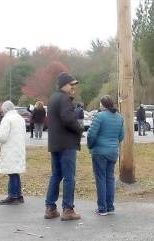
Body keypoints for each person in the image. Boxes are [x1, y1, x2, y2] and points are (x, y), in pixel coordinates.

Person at [45, 73, 84, 221]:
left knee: (56, 175)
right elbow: (68, 119)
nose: (73, 87)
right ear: (63, 85)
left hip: (55, 143)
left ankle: (50, 208)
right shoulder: (64, 99)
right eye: (71, 84)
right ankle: (68, 209)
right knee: (69, 177)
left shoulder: (53, 98)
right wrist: (80, 128)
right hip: (66, 144)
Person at [87, 96, 124, 215]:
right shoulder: (119, 117)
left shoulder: (99, 116)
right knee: (110, 178)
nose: (99, 106)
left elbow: (91, 134)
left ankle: (102, 208)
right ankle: (110, 206)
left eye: (100, 104)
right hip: (113, 152)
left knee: (101, 179)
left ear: (103, 105)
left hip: (99, 152)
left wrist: (90, 146)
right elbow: (121, 135)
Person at [0, 101, 27, 205]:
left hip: (10, 149)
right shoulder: (20, 118)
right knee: (15, 172)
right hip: (19, 148)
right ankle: (19, 196)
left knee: (12, 173)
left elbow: (2, 137)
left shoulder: (7, 119)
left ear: (5, 109)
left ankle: (13, 196)